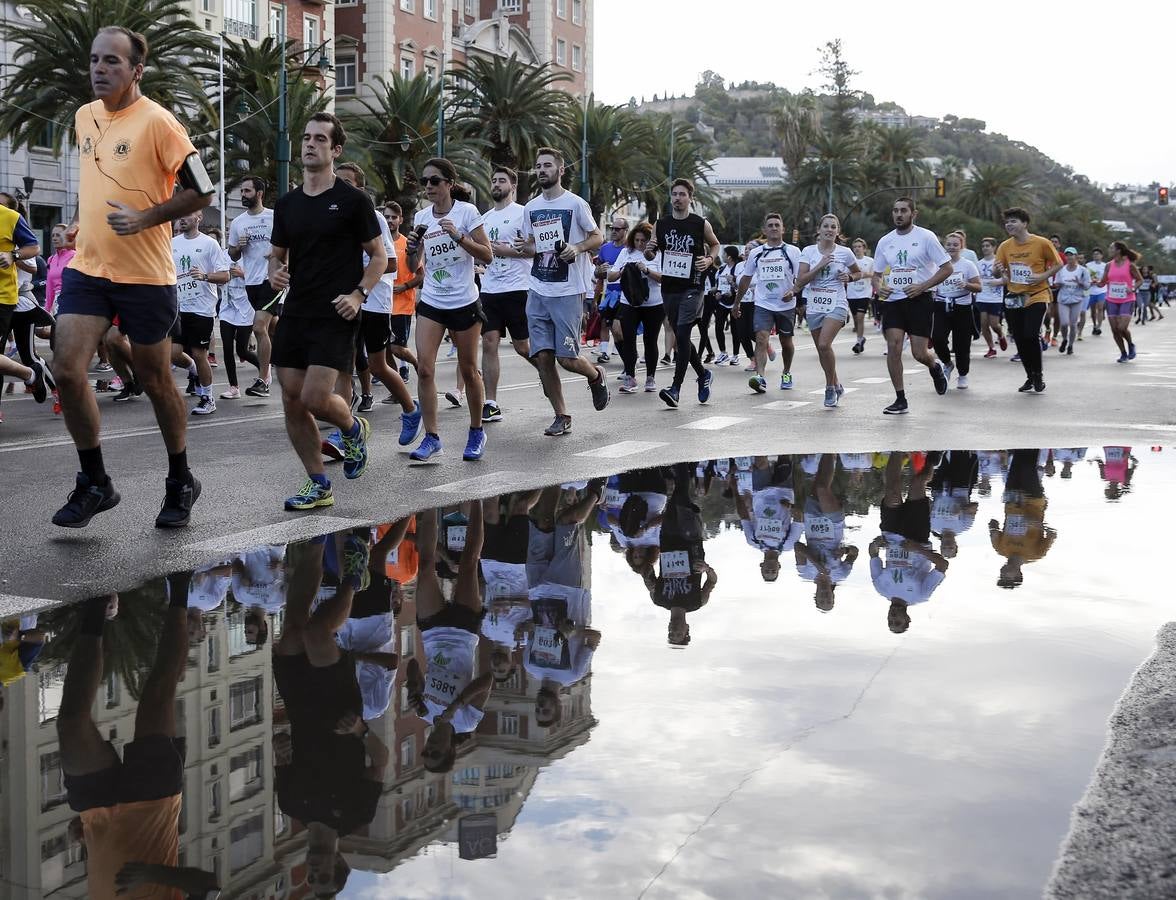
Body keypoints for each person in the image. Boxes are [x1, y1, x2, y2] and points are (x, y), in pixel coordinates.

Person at [51, 26, 214, 529]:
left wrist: (146, 218)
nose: (99, 69)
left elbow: (202, 191)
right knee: (67, 368)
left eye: (112, 62)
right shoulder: (84, 116)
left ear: (136, 71)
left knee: (155, 377)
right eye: (95, 60)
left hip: (145, 273)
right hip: (90, 267)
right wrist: (86, 222)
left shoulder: (159, 123)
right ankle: (95, 481)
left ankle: (180, 479)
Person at [59, 581, 220, 900]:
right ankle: (180, 589)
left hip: (98, 813)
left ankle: (95, 611)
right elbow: (208, 887)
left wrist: (90, 843)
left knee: (71, 723)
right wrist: (151, 873)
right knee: (160, 688)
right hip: (154, 801)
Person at [267, 112, 385, 510]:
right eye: (306, 137)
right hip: (296, 310)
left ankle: (352, 427)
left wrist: (359, 295)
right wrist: (275, 274)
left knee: (316, 397)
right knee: (291, 400)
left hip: (337, 312)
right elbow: (276, 256)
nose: (310, 144)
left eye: (320, 139)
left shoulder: (353, 201)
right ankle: (318, 483)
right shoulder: (287, 204)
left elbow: (379, 257)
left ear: (335, 150)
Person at [273, 532, 386, 898]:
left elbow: (283, 755)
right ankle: (354, 580)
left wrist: (280, 748)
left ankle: (316, 542)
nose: (315, 872)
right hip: (339, 707)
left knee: (292, 629)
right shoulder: (357, 814)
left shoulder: (290, 805)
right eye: (324, 877)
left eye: (312, 878)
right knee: (317, 633)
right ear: (339, 866)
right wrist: (360, 728)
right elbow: (381, 761)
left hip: (300, 706)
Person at [512, 147, 609, 436]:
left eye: (547, 166)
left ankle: (595, 375)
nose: (541, 170)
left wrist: (576, 248)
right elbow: (533, 246)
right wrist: (523, 248)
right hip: (538, 288)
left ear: (560, 170)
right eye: (538, 166)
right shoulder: (530, 208)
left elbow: (597, 237)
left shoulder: (575, 204)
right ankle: (561, 415)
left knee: (566, 359)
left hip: (567, 291)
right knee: (542, 357)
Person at [403, 157, 492, 461]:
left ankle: (477, 431)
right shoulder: (421, 216)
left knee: (468, 370)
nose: (428, 186)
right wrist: (412, 250)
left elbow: (487, 255)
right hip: (432, 300)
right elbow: (413, 266)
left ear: (450, 184)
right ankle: (432, 437)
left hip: (464, 301)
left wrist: (459, 236)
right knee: (425, 368)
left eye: (435, 181)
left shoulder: (467, 212)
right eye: (424, 181)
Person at [332, 162, 420, 439]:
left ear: (359, 187)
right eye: (338, 181)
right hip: (346, 301)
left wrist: (355, 275)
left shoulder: (374, 218)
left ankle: (410, 408)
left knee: (378, 365)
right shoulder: (334, 218)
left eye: (347, 182)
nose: (341, 186)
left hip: (374, 301)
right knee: (344, 365)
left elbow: (391, 264)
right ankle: (344, 430)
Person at [405, 504, 494, 772]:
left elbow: (411, 665)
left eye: (425, 751)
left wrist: (413, 686)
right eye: (435, 752)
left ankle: (430, 505)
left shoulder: (424, 713)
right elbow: (487, 681)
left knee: (427, 565)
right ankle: (478, 499)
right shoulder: (467, 722)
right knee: (468, 563)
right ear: (449, 750)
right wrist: (456, 705)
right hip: (464, 633)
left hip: (433, 633)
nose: (429, 747)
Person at [871, 197, 953, 415]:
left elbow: (947, 268)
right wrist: (879, 288)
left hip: (920, 300)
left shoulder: (926, 237)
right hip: (893, 301)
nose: (899, 214)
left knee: (919, 353)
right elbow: (876, 275)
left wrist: (923, 286)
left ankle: (935, 367)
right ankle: (900, 399)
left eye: (904, 210)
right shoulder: (885, 241)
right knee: (894, 346)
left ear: (913, 214)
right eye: (895, 211)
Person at [646, 178, 720, 409]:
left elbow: (716, 245)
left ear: (690, 198)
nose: (677, 198)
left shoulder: (700, 223)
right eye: (674, 194)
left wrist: (708, 259)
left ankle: (675, 389)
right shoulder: (662, 223)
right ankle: (703, 374)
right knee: (681, 337)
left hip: (693, 286)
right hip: (669, 286)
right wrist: (649, 252)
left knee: (682, 332)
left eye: (682, 194)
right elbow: (651, 250)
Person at [479, 166, 537, 423]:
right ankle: (490, 402)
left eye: (501, 181)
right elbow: (482, 250)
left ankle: (546, 374)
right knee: (488, 343)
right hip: (490, 289)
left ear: (513, 186)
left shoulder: (523, 214)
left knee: (522, 347)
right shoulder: (485, 217)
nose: (496, 184)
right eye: (493, 181)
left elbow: (534, 250)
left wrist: (502, 250)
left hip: (518, 288)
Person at [869, 452, 948, 633]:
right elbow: (942, 564)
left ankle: (897, 448)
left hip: (891, 533)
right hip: (916, 536)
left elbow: (873, 553)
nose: (894, 618)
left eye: (890, 621)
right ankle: (932, 461)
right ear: (907, 619)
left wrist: (876, 544)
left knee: (892, 492)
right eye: (898, 622)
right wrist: (917, 549)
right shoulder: (922, 594)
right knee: (917, 484)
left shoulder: (881, 588)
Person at [794, 213, 861, 407]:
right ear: (819, 230)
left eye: (833, 227)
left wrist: (850, 278)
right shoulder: (808, 251)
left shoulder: (845, 252)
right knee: (822, 350)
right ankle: (837, 383)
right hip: (814, 304)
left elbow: (858, 272)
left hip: (837, 303)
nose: (830, 230)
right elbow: (801, 280)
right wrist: (820, 265)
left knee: (824, 345)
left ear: (837, 231)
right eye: (826, 226)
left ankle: (829, 388)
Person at [994, 207, 1062, 393]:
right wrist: (999, 269)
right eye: (1007, 222)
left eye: (1013, 221)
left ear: (1024, 223)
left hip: (1037, 295)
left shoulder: (1041, 243)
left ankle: (1038, 375)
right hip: (1014, 297)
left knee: (1031, 334)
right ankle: (1029, 376)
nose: (1009, 225)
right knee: (1020, 339)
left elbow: (1058, 264)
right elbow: (996, 271)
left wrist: (1042, 277)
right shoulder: (1004, 246)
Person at [733, 213, 801, 396]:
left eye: (776, 225)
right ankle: (760, 377)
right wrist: (736, 303)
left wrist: (793, 292)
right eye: (769, 225)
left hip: (786, 305)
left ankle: (786, 373)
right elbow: (745, 280)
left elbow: (801, 277)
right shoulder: (756, 253)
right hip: (763, 304)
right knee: (761, 338)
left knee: (786, 342)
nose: (773, 228)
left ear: (783, 229)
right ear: (764, 230)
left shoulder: (793, 252)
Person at [171, 210, 228, 415]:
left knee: (199, 353)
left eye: (187, 215)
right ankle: (194, 371)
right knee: (174, 354)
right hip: (178, 307)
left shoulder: (209, 244)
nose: (182, 218)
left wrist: (204, 276)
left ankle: (207, 398)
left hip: (202, 308)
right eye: (180, 216)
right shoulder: (172, 243)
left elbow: (225, 275)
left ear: (199, 218)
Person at [226, 176, 278, 398]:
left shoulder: (274, 217)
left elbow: (290, 245)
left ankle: (264, 379)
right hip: (251, 282)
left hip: (273, 280)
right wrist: (239, 247)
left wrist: (278, 259)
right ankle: (289, 358)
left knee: (259, 327)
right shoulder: (238, 222)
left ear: (259, 193)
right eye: (242, 192)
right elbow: (232, 254)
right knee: (273, 326)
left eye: (247, 191)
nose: (243, 195)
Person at [608, 221, 665, 394]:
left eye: (644, 240)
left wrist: (646, 270)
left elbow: (664, 278)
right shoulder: (626, 252)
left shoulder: (658, 254)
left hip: (654, 304)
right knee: (628, 339)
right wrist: (622, 272)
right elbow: (611, 276)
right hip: (629, 302)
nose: (640, 244)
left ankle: (650, 377)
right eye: (637, 240)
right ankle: (630, 377)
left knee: (650, 340)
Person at [989, 449, 1056, 588]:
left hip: (1012, 500)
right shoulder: (1036, 554)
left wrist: (993, 529)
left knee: (1017, 460)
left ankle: (1021, 435)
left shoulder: (1000, 549)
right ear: (1019, 574)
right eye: (1007, 576)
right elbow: (1052, 533)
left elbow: (993, 525)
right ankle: (1035, 437)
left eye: (1001, 575)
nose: (1003, 572)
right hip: (1033, 501)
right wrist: (1037, 524)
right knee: (1027, 465)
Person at [930, 231, 981, 390]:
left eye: (955, 245)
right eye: (949, 244)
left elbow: (978, 287)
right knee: (937, 338)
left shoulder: (968, 265)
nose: (951, 247)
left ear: (961, 247)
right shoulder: (937, 264)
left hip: (962, 306)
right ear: (944, 246)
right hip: (941, 304)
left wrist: (966, 285)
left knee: (962, 344)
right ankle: (947, 363)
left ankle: (963, 374)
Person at [382, 200, 422, 382]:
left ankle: (418, 364)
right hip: (381, 303)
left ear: (400, 220)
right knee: (383, 348)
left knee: (397, 348)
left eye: (393, 217)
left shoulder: (407, 244)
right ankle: (395, 381)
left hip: (401, 304)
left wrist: (404, 286)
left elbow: (421, 276)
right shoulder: (378, 243)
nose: (389, 220)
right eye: (386, 217)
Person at [1096, 240, 1142, 363]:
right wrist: (1095, 282)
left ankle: (1131, 344)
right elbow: (1103, 282)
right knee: (1115, 329)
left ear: (1118, 250)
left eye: (1111, 248)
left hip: (1127, 299)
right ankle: (1123, 353)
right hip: (1111, 300)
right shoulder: (1108, 265)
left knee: (1122, 327)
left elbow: (1139, 280)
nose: (1109, 250)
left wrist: (1132, 288)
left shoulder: (1130, 265)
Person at [593, 215, 628, 363]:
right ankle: (604, 352)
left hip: (626, 293)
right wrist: (596, 298)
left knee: (621, 328)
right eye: (611, 228)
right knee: (605, 323)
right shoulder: (605, 248)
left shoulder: (629, 248)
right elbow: (598, 273)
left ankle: (628, 354)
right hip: (609, 292)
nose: (613, 231)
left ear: (626, 231)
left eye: (617, 229)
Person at [1053, 247, 1090, 355]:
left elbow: (1087, 286)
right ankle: (1064, 339)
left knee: (1073, 325)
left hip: (1077, 299)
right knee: (1064, 323)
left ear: (1076, 256)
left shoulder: (1083, 271)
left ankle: (1070, 345)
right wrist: (1059, 284)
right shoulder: (1061, 269)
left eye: (1071, 255)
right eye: (1067, 255)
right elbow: (1056, 283)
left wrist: (1080, 283)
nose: (1069, 257)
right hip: (1063, 299)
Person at [976, 236, 1008, 358]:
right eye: (983, 246)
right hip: (982, 296)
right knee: (984, 323)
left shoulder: (999, 262)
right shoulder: (978, 263)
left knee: (994, 324)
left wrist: (998, 282)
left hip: (995, 297)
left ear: (994, 247)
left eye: (988, 246)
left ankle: (1000, 335)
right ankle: (991, 348)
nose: (985, 248)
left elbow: (1006, 279)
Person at [712, 245, 740, 364]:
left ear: (729, 256)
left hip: (734, 302)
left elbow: (740, 286)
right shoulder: (721, 269)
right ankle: (723, 353)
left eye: (724, 254)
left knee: (735, 330)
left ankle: (735, 355)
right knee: (718, 327)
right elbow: (717, 286)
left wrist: (733, 285)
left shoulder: (738, 269)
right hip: (722, 303)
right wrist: (716, 293)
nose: (722, 256)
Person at [846, 237, 874, 354]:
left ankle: (858, 342)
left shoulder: (870, 261)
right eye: (855, 247)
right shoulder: (850, 261)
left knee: (860, 317)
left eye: (859, 247)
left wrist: (862, 274)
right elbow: (845, 274)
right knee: (856, 319)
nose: (857, 249)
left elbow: (874, 274)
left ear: (864, 248)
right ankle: (861, 338)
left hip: (864, 293)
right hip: (852, 293)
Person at [1084, 247, 1108, 337]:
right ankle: (1094, 325)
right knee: (1093, 310)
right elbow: (1086, 277)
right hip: (1091, 290)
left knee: (1100, 308)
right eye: (1094, 254)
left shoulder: (1105, 265)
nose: (1096, 255)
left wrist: (1101, 282)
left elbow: (1106, 277)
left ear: (1101, 256)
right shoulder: (1088, 265)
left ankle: (1099, 326)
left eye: (1098, 254)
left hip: (1102, 289)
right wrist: (1091, 281)